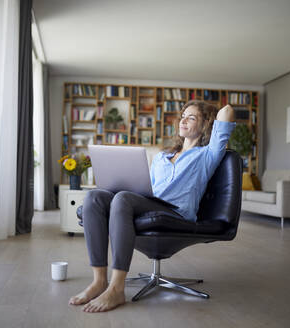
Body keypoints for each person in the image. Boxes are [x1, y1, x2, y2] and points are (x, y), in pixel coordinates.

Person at [69, 100, 235, 312]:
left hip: (176, 213)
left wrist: (207, 113)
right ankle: (99, 281)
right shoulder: (161, 157)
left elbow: (227, 111)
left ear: (205, 126)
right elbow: (148, 189)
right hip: (150, 203)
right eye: (183, 115)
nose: (183, 119)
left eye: (191, 117)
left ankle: (117, 288)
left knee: (122, 199)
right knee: (95, 197)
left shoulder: (208, 154)